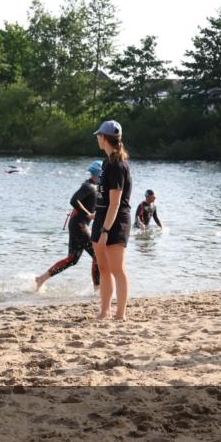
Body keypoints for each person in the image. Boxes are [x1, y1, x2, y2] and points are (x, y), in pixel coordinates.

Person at [35, 161, 102, 291]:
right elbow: (73, 200)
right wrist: (88, 214)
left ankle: (41, 278)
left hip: (78, 225)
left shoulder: (97, 187)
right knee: (97, 255)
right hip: (79, 225)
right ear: (99, 173)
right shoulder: (88, 186)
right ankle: (97, 289)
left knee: (72, 259)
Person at [91, 120, 132, 320]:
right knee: (104, 269)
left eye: (99, 135)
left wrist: (106, 231)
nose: (97, 138)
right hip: (101, 218)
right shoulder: (107, 162)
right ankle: (104, 311)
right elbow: (104, 198)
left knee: (118, 269)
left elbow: (115, 204)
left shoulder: (117, 165)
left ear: (105, 138)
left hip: (116, 222)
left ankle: (120, 314)